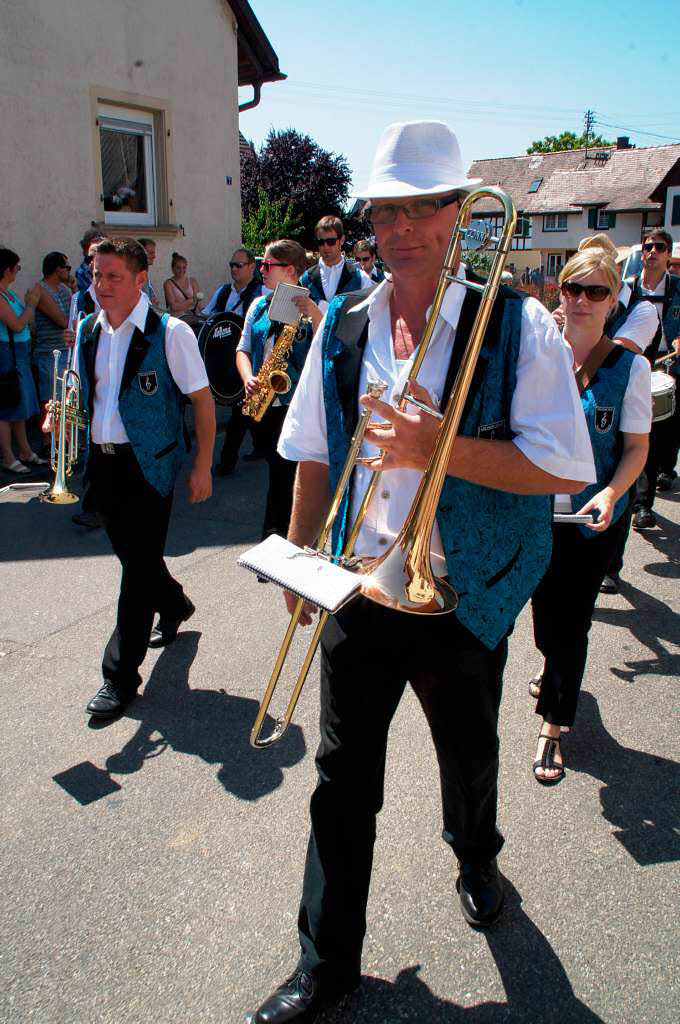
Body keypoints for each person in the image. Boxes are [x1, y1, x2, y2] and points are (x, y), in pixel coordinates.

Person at [246, 120, 595, 1024]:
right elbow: (311, 451)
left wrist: (445, 446)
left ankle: (476, 856)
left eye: (419, 207)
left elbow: (563, 466)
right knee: (339, 778)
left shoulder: (517, 326)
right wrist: (297, 558)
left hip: (463, 591)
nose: (398, 226)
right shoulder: (345, 326)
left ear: (456, 216)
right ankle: (325, 964)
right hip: (364, 583)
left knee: (468, 754)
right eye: (383, 209)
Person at [76, 238, 215, 719]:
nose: (101, 285)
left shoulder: (170, 332)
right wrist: (61, 417)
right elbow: (89, 397)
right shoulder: (87, 330)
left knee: (134, 574)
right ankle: (174, 604)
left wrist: (201, 465)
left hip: (150, 464)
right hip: (104, 461)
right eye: (96, 275)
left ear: (140, 281)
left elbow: (201, 399)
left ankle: (119, 677)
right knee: (137, 558)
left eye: (113, 276)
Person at [528, 248, 651, 784]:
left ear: (613, 301)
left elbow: (635, 448)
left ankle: (554, 726)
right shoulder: (537, 355)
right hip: (534, 513)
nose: (581, 300)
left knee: (572, 619)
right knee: (543, 618)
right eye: (572, 289)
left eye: (595, 292)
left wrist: (611, 493)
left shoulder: (631, 367)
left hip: (590, 519)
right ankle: (553, 662)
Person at [236, 239, 318, 541]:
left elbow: (327, 348)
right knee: (278, 472)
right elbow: (242, 348)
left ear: (291, 270)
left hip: (296, 403)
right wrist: (248, 378)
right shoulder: (259, 304)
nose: (262, 269)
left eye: (268, 265)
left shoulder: (314, 307)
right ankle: (280, 536)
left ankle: (276, 537)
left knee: (283, 474)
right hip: (264, 399)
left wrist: (312, 312)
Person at [628, 229, 680, 528]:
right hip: (639, 365)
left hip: (672, 366)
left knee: (667, 434)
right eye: (647, 247)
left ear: (668, 255)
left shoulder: (679, 289)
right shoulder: (629, 289)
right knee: (642, 433)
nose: (652, 252)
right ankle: (642, 506)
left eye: (659, 247)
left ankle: (664, 468)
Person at [204, 249, 269, 478]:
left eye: (239, 265)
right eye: (232, 264)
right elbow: (207, 317)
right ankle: (261, 447)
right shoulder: (223, 292)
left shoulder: (262, 292)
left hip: (250, 359)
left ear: (252, 267)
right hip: (228, 359)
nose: (234, 269)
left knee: (240, 411)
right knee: (244, 408)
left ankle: (227, 461)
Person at [0, 249, 44, 473]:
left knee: (19, 404)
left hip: (19, 355)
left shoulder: (8, 293)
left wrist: (28, 305)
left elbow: (23, 322)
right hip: (7, 356)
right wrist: (31, 304)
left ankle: (25, 450)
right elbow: (17, 324)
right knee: (6, 408)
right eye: (17, 267)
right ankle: (8, 456)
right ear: (7, 269)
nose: (18, 271)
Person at [34, 252, 75, 447]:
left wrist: (75, 291)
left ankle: (64, 441)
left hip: (65, 352)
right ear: (58, 269)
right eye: (67, 268)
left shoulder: (64, 290)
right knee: (50, 399)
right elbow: (63, 321)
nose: (69, 272)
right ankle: (48, 442)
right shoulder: (41, 291)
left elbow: (75, 316)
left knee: (65, 399)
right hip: (49, 353)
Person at [300, 215, 372, 313]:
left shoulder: (361, 279)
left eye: (331, 241)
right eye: (321, 242)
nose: (325, 247)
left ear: (342, 240)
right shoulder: (305, 279)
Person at [138, 238, 160, 307]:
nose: (154, 256)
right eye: (150, 253)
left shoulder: (144, 274)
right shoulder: (136, 275)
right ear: (140, 253)